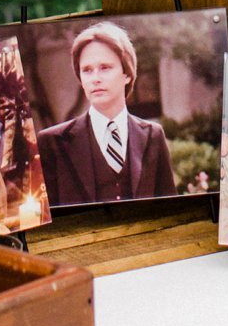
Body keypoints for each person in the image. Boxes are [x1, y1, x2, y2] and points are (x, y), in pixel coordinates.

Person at [36, 20, 177, 206]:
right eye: (87, 70)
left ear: (126, 74)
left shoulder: (153, 136)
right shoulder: (52, 142)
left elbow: (170, 210)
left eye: (105, 68)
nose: (95, 78)